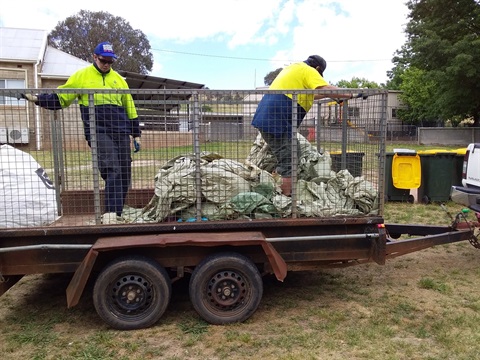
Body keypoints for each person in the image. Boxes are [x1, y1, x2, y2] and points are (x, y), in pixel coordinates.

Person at [21, 42, 141, 224]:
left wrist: (136, 132)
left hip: (121, 130)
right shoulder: (81, 77)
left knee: (125, 170)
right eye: (103, 60)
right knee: (112, 168)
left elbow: (129, 107)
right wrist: (38, 99)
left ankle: (117, 212)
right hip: (98, 130)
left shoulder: (119, 80)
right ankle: (110, 214)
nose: (107, 64)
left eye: (110, 61)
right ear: (94, 57)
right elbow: (62, 97)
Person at [251, 55, 360, 195]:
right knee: (289, 160)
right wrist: (350, 94)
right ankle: (285, 199)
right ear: (318, 68)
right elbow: (324, 87)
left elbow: (313, 94)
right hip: (278, 121)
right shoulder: (308, 70)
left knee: (291, 153)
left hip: (270, 118)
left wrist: (336, 96)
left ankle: (280, 190)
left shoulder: (295, 68)